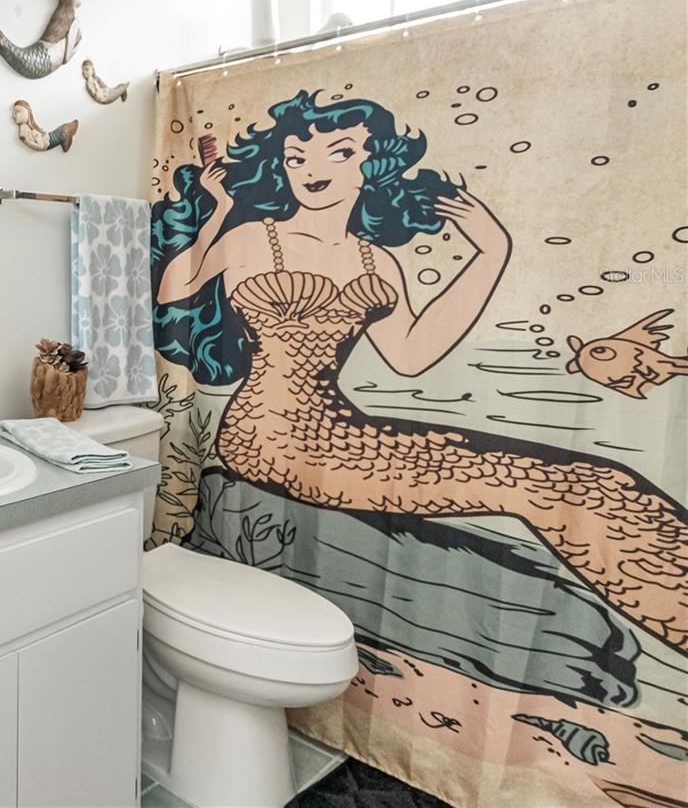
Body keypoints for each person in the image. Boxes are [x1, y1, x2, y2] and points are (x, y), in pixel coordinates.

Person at [153, 89, 687, 652]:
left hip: (342, 431)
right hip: (268, 436)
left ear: (372, 166)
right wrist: (217, 211)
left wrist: (491, 254)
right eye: (295, 157)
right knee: (533, 483)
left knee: (593, 479)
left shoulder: (376, 260)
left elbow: (410, 357)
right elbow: (172, 290)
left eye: (339, 152)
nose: (311, 169)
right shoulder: (252, 237)